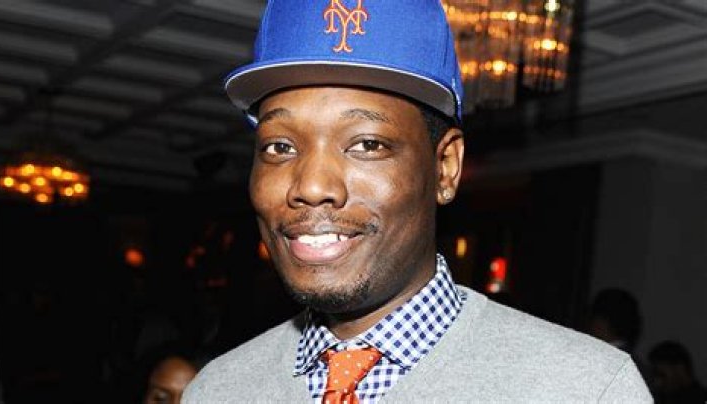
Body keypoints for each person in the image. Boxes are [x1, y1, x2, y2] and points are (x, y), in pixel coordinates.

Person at [183, 0, 652, 401]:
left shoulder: (585, 388)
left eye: (366, 144)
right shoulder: (217, 390)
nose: (311, 184)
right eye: (279, 146)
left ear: (445, 167)